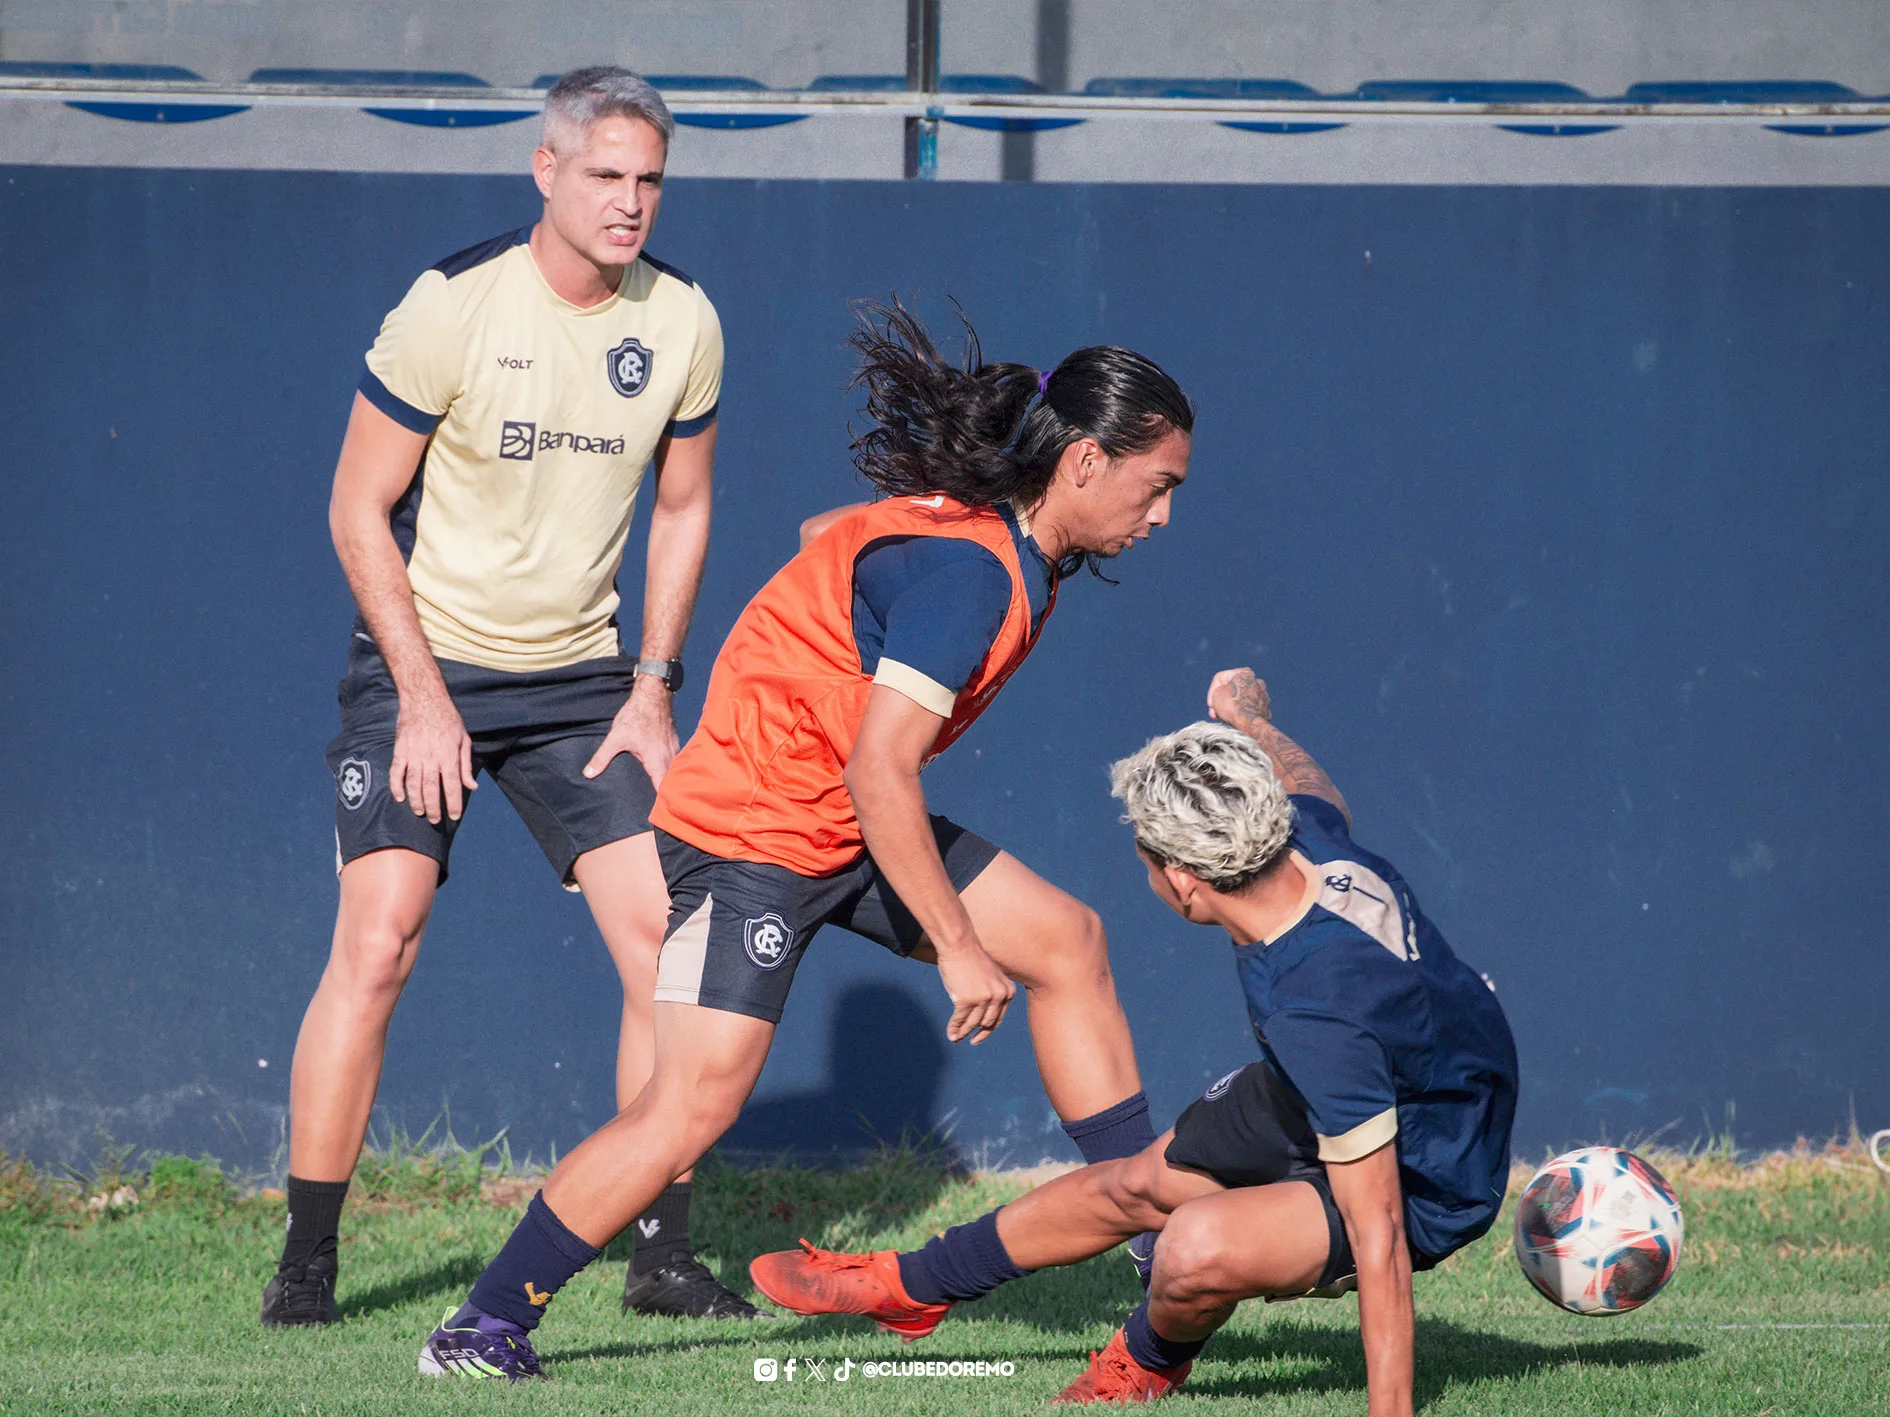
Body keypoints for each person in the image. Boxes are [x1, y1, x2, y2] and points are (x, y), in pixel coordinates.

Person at [416, 301, 1195, 1380]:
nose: (1161, 517)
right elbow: (882, 768)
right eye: (1157, 487)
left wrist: (823, 645)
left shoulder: (993, 540)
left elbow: (821, 545)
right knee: (691, 1106)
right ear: (1086, 464)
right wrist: (958, 945)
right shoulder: (974, 572)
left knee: (1065, 940)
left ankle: (1152, 1229)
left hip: (835, 813)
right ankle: (480, 1325)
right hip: (758, 833)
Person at [262, 66, 752, 1327]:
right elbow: (353, 507)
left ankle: (661, 1251)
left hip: (585, 682)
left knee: (667, 951)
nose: (631, 203)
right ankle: (306, 1270)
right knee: (380, 944)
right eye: (606, 176)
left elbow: (684, 509)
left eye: (649, 180)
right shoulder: (452, 306)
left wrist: (653, 688)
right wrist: (425, 702)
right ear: (547, 170)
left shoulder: (684, 320)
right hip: (423, 661)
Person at [750, 670, 1518, 1414]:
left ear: (1184, 881)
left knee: (1192, 1247)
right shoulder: (1297, 840)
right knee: (1136, 1182)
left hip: (1433, 1164)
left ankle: (1146, 1359)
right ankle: (914, 1284)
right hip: (1367, 1073)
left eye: (1146, 860)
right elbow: (1316, 788)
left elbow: (1378, 1231)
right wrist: (1249, 719)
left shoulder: (1318, 1011)